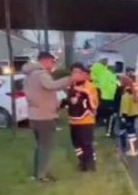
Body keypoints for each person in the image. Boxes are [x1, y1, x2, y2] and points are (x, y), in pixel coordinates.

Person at [23, 51, 72, 182]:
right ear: (44, 60)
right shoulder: (40, 74)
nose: (52, 64)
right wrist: (70, 79)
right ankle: (42, 175)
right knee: (46, 147)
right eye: (52, 61)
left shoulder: (30, 74)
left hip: (35, 116)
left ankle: (39, 172)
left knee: (41, 146)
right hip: (43, 116)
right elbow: (51, 85)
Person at [65, 63, 99, 171]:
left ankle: (90, 165)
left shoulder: (90, 86)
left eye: (77, 72)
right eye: (73, 72)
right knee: (76, 144)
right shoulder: (71, 85)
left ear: (84, 73)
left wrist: (84, 92)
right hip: (73, 120)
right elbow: (69, 101)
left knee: (87, 144)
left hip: (86, 121)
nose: (75, 74)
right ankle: (82, 162)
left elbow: (95, 104)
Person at [117, 75, 138, 156]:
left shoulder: (125, 95)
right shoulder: (132, 92)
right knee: (131, 132)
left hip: (126, 115)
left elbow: (125, 106)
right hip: (133, 115)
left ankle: (125, 149)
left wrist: (123, 117)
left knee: (123, 132)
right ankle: (133, 149)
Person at [89, 58, 118, 129]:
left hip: (95, 88)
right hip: (101, 90)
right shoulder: (103, 70)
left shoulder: (95, 67)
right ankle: (100, 121)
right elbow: (103, 81)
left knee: (96, 105)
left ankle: (96, 120)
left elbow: (92, 77)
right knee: (100, 106)